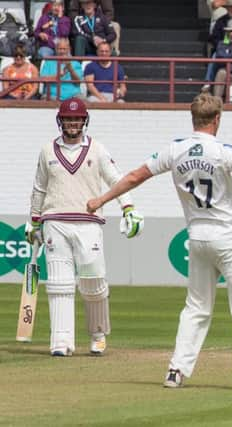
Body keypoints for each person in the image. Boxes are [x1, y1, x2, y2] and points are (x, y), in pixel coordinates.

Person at [85, 93, 232, 389]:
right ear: (217, 119)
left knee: (196, 307)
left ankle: (176, 370)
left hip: (197, 238)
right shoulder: (222, 151)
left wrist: (100, 199)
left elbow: (135, 176)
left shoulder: (175, 150)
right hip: (229, 237)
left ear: (193, 118)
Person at [25, 97, 144, 357]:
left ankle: (98, 333)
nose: (72, 123)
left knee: (93, 282)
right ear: (61, 121)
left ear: (84, 121)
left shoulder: (97, 149)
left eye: (77, 119)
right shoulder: (47, 151)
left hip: (88, 222)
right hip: (54, 221)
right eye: (68, 118)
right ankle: (61, 340)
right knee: (59, 282)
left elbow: (117, 180)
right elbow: (39, 188)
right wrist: (33, 220)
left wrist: (128, 207)